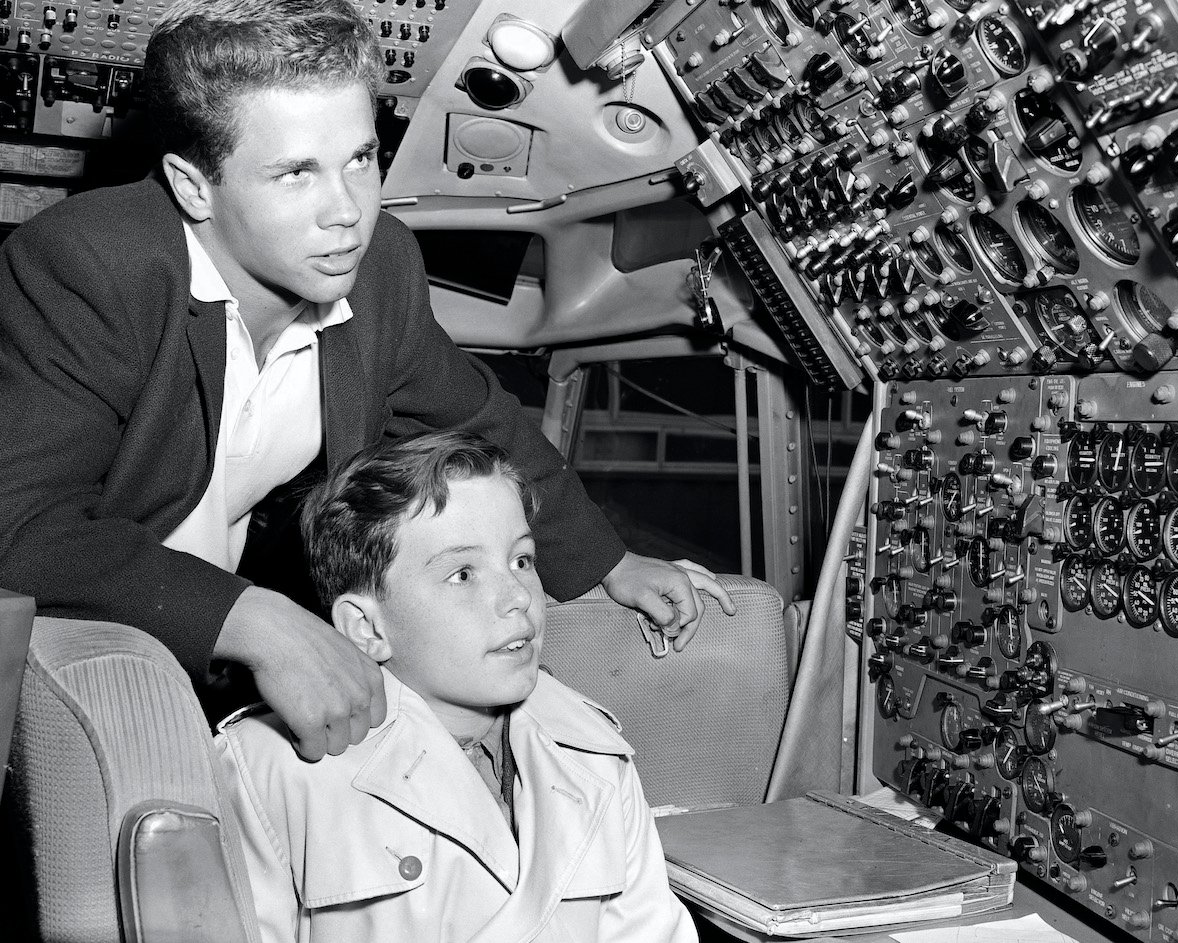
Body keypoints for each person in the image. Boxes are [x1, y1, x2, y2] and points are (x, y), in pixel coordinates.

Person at [0, 0, 733, 759]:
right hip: (83, 645)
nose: (347, 210)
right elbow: (19, 524)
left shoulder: (379, 265)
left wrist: (610, 562)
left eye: (360, 158)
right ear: (193, 187)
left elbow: (481, 423)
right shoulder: (90, 266)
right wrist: (255, 621)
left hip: (216, 648)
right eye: (295, 174)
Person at [215, 431, 699, 942]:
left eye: (522, 560)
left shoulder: (596, 755)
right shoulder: (269, 771)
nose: (517, 596)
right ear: (367, 628)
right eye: (463, 574)